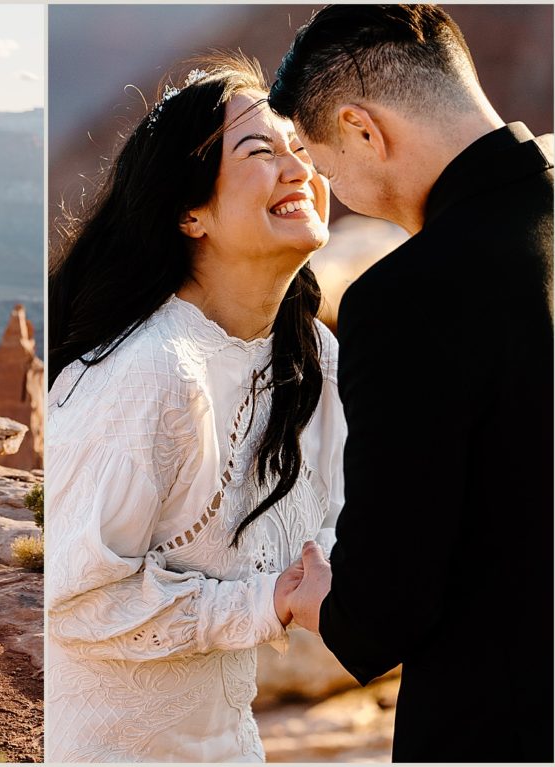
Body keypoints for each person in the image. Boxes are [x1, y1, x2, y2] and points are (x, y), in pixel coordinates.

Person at [267, 5, 553, 762]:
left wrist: (317, 596)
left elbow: (386, 604)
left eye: (327, 167)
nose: (336, 191)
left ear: (365, 129)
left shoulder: (410, 297)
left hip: (501, 723)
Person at [46, 52, 345, 762]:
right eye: (260, 149)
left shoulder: (312, 357)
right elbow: (76, 596)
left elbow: (335, 517)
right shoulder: (150, 370)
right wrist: (265, 602)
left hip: (228, 742)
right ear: (190, 211)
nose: (298, 168)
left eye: (301, 148)